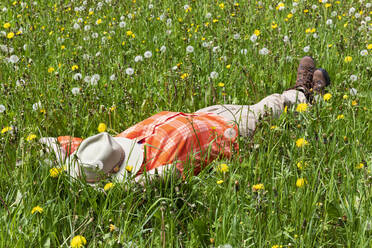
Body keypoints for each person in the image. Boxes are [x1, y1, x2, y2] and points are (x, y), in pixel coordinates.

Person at [40, 56, 330, 184]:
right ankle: (305, 95)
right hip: (228, 133)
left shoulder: (108, 148)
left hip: (204, 115)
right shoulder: (154, 172)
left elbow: (62, 146)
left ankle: (301, 94)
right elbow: (146, 183)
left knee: (251, 104)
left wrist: (27, 141)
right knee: (269, 107)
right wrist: (117, 187)